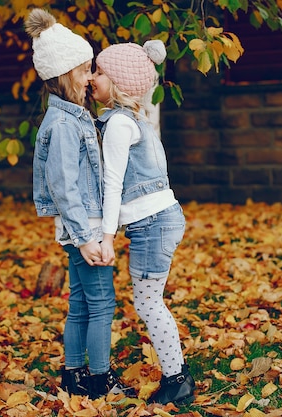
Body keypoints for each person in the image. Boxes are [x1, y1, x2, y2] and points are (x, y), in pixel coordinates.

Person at [24, 8, 134, 399]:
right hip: (83, 227)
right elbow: (65, 186)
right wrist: (88, 238)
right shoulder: (66, 124)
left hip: (78, 228)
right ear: (68, 73)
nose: (90, 77)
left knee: (80, 303)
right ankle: (100, 379)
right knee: (102, 303)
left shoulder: (70, 117)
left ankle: (74, 374)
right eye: (86, 68)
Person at [90, 40, 196, 405]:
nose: (93, 78)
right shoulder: (137, 118)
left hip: (153, 225)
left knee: (149, 303)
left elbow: (113, 182)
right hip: (158, 221)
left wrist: (107, 236)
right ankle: (176, 374)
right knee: (149, 300)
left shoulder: (120, 124)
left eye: (100, 72)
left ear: (118, 82)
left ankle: (177, 379)